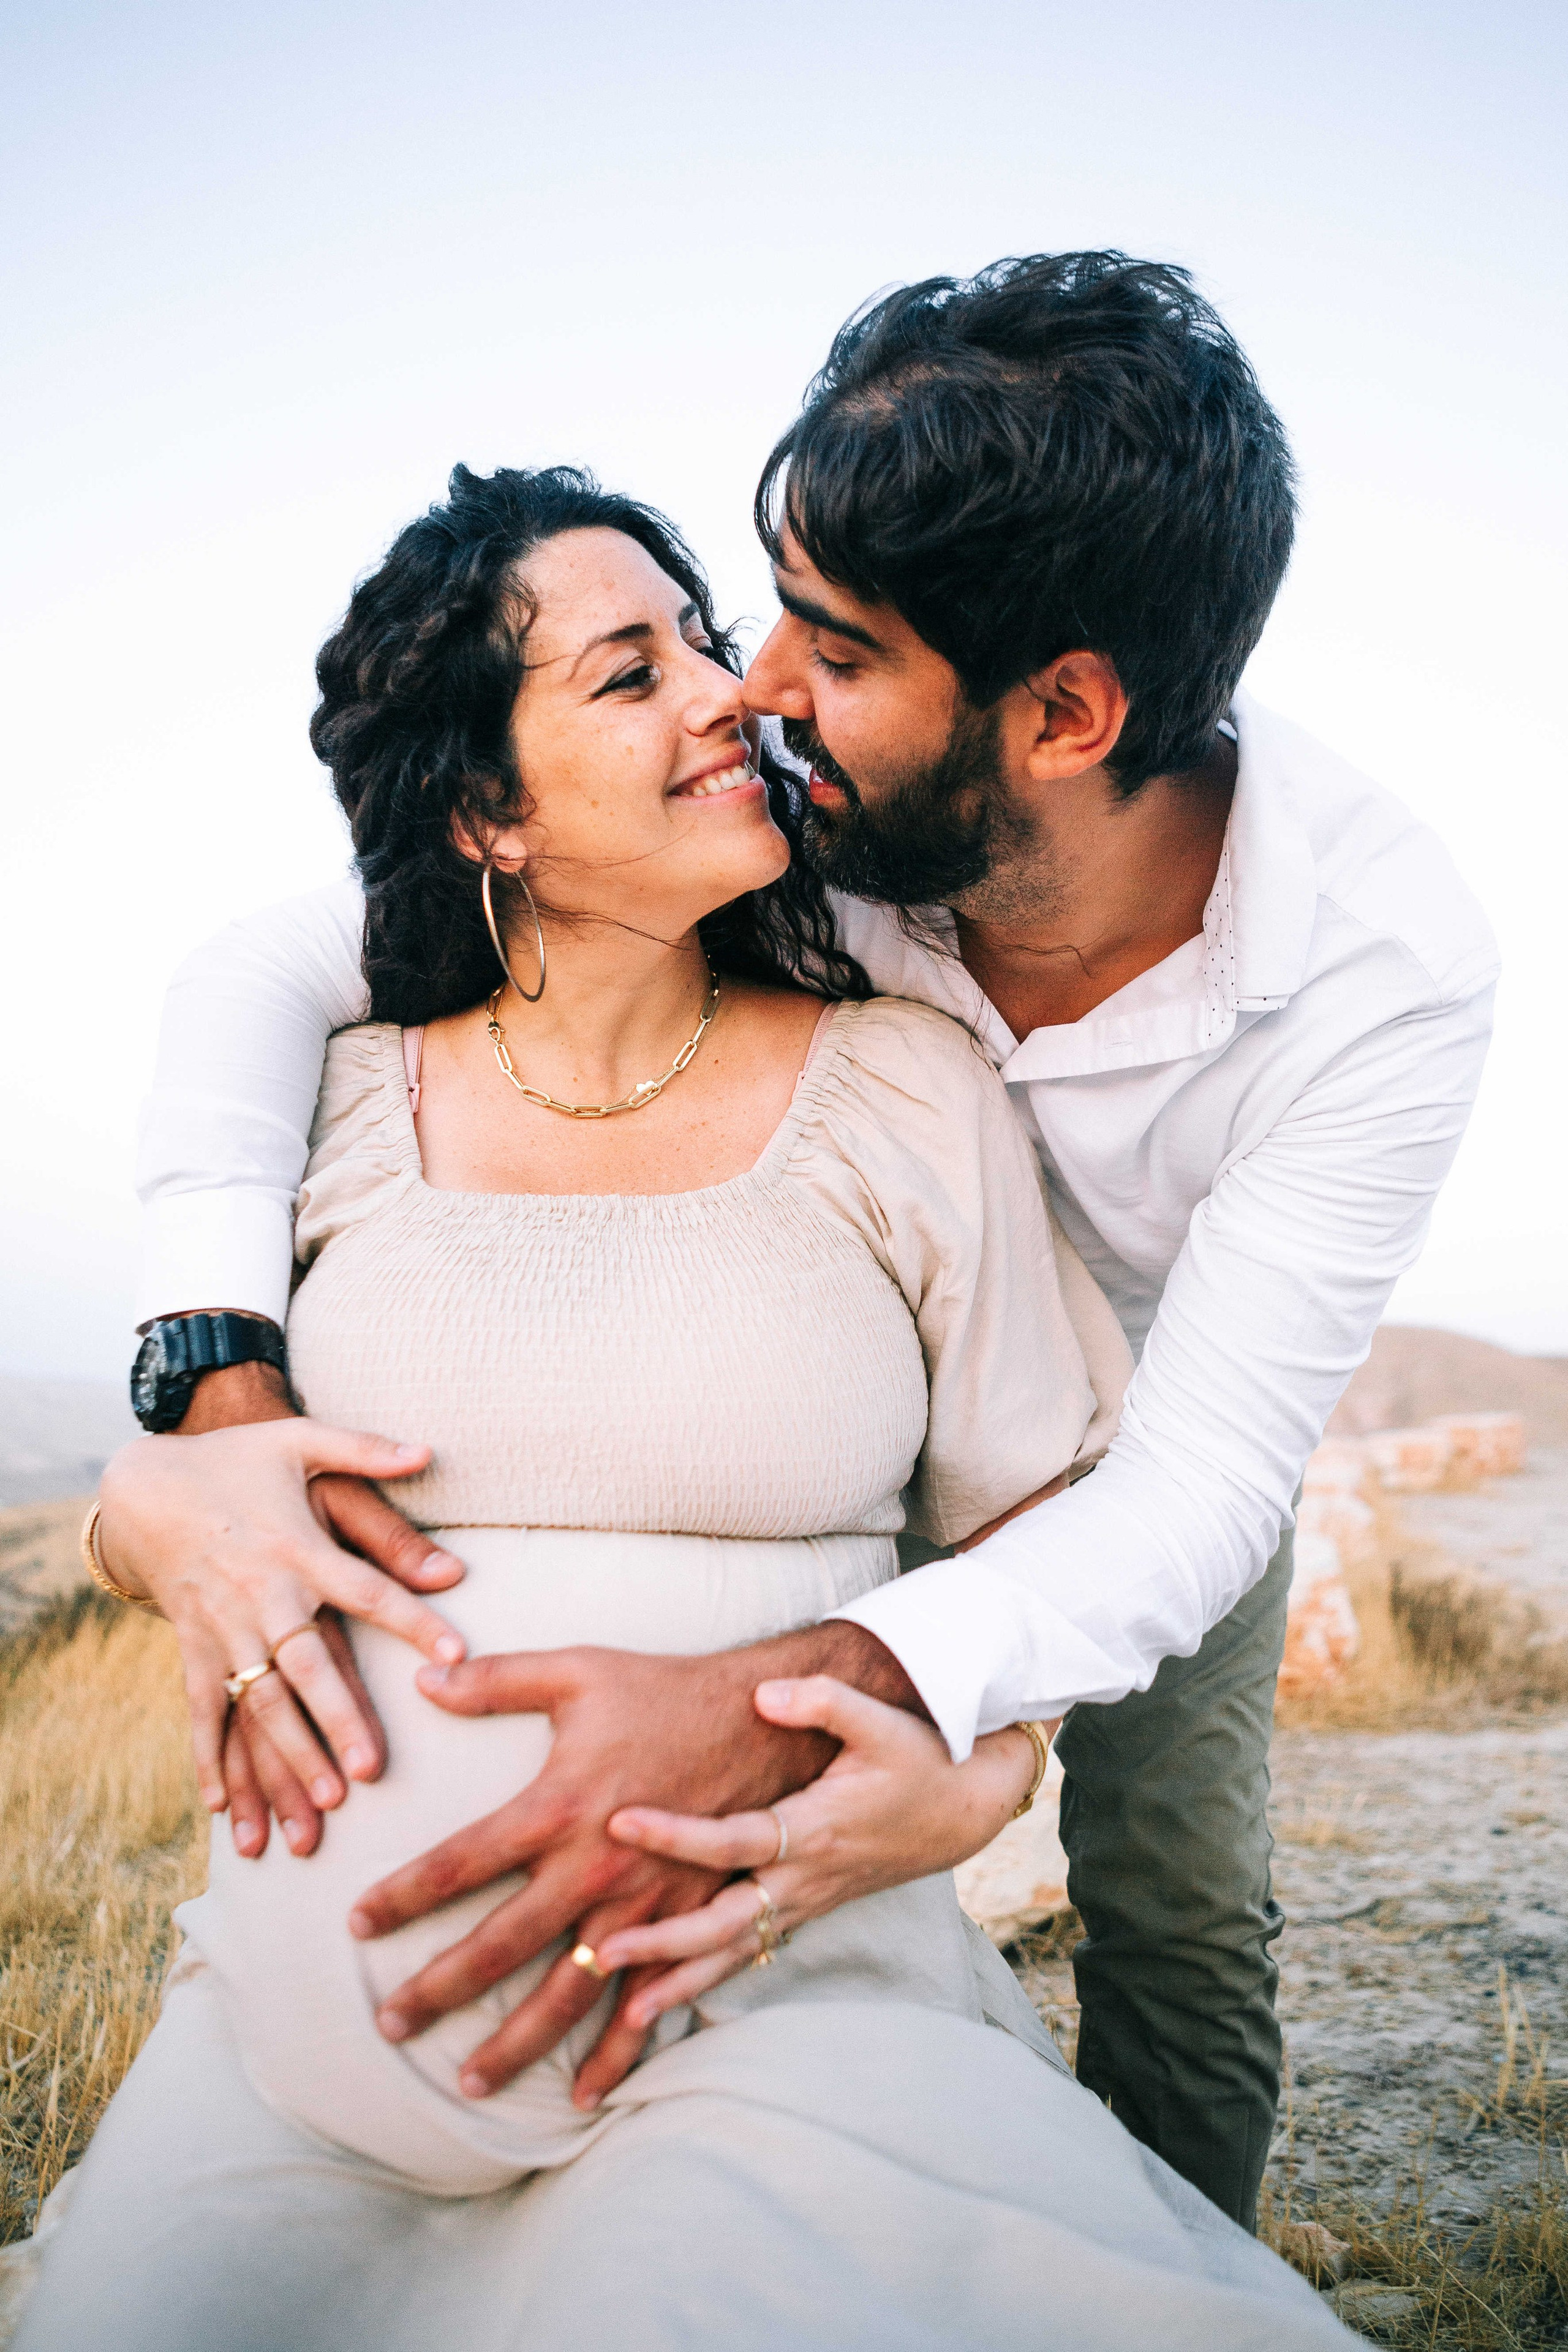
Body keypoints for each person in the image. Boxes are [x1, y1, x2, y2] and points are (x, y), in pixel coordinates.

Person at [99, 252, 1495, 2233]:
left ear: (1065, 717)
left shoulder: (1378, 972)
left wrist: (856, 1719)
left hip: (1131, 1450)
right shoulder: (805, 808)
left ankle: (1157, 2246)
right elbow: (278, 959)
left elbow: (1184, 1494)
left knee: (1175, 1888)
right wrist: (213, 1391)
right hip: (809, 1367)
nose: (756, 684)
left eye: (827, 646)